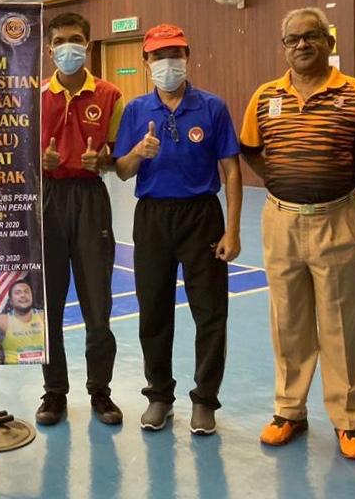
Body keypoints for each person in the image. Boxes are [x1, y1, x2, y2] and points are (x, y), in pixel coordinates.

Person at [240, 7, 355, 460]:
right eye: (293, 39)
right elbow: (250, 150)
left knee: (340, 323)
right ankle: (289, 411)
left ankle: (348, 421)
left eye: (311, 36)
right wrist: (281, 182)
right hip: (281, 222)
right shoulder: (265, 96)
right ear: (284, 47)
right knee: (287, 320)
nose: (302, 45)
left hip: (337, 220)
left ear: (329, 41)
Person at [113, 24, 242, 435]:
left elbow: (232, 170)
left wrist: (233, 229)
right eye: (158, 56)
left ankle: (205, 400)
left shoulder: (212, 107)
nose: (167, 63)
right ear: (146, 61)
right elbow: (121, 170)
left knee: (211, 312)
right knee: (153, 310)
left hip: (202, 216)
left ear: (187, 57)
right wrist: (138, 151)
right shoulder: (136, 111)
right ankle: (159, 396)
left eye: (175, 54)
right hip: (152, 217)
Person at [37, 12, 124, 426]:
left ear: (87, 45)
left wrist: (101, 162)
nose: (67, 47)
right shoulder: (34, 97)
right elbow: (18, 159)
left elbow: (118, 157)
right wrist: (40, 162)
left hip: (91, 200)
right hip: (48, 198)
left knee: (97, 304)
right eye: (59, 41)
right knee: (48, 305)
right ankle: (54, 392)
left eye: (75, 39)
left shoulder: (110, 95)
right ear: (48, 49)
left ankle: (100, 391)